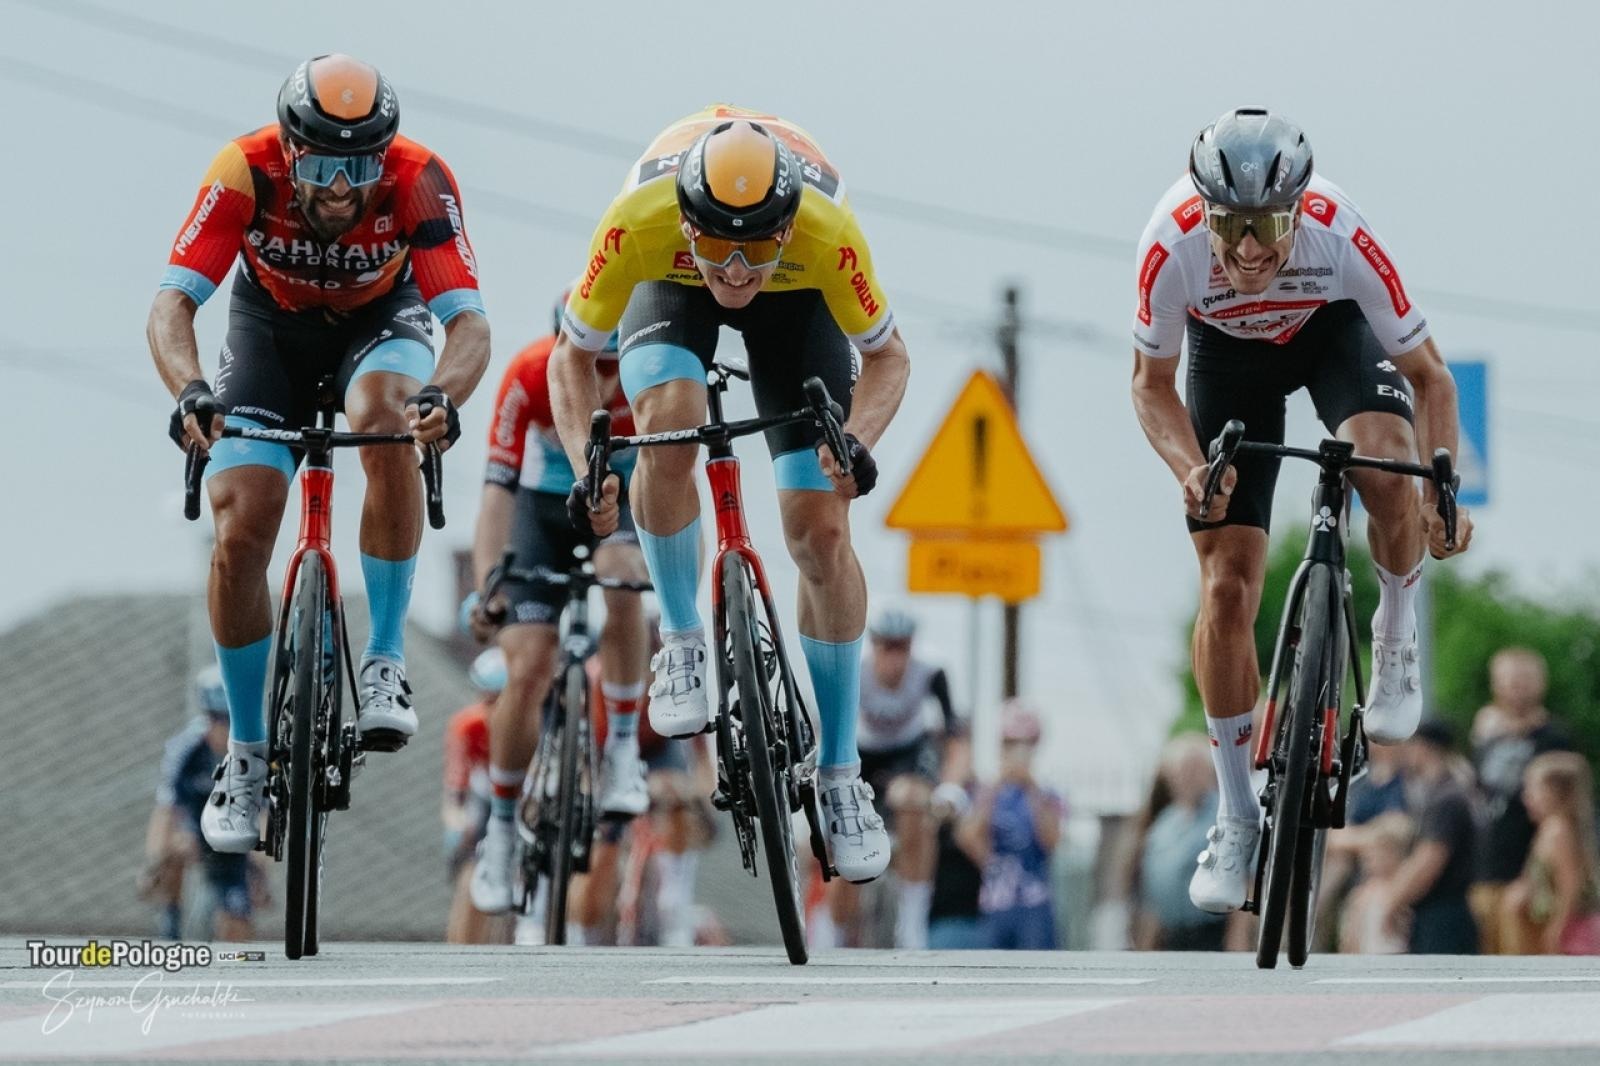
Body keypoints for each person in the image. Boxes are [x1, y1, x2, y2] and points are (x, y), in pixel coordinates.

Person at [548, 107, 911, 883]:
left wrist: (857, 444)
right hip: (668, 292)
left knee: (819, 530)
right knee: (669, 420)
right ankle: (681, 641)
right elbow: (570, 357)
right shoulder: (638, 223)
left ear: (787, 229)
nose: (738, 272)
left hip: (800, 303)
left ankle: (842, 774)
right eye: (718, 247)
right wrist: (588, 465)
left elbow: (889, 360)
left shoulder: (826, 234)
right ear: (686, 223)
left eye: (756, 251)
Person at [1129, 107, 1475, 915]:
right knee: (1224, 586)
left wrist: (1440, 493)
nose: (1250, 250)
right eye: (1233, 226)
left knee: (1384, 468)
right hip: (1223, 358)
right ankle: (1236, 812)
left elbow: (1433, 379)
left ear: (1300, 209)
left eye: (1269, 226)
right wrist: (1189, 469)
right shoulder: (1169, 244)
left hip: (1328, 335)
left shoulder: (1340, 232)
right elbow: (1149, 386)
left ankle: (1393, 631)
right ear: (1206, 213)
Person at [149, 54, 491, 855]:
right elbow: (172, 303)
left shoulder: (417, 180)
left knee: (388, 419)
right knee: (242, 525)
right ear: (292, 151)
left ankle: (383, 660)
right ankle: (247, 749)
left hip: (383, 326)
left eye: (361, 164)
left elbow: (468, 325)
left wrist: (442, 394)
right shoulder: (243, 171)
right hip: (268, 332)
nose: (344, 187)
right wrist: (191, 390)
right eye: (326, 166)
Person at [463, 295, 650, 915]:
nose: (603, 381)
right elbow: (497, 494)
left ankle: (622, 748)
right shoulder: (527, 376)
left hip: (617, 503)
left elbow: (676, 490)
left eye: (613, 366)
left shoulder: (649, 376)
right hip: (539, 511)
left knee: (625, 582)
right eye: (590, 365)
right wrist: (488, 587)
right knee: (526, 668)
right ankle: (501, 826)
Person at [821, 605, 963, 947]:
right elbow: (826, 730)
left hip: (908, 753)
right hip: (861, 753)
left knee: (912, 800)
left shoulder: (930, 670)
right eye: (888, 647)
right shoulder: (855, 670)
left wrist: (951, 787)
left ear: (912, 647)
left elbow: (957, 738)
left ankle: (912, 925)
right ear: (876, 646)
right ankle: (834, 930)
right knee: (844, 842)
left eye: (903, 648)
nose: (895, 659)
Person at [139, 667, 262, 941]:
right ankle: (170, 927)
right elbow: (166, 809)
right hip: (194, 831)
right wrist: (155, 862)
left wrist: (259, 866)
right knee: (170, 854)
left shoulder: (256, 750)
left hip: (237, 840)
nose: (224, 729)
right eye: (217, 720)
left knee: (237, 922)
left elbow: (266, 815)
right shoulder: (187, 749)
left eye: (231, 721)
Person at [1470, 647, 1575, 952]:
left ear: (1541, 684)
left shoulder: (1554, 739)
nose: (1517, 690)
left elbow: (1563, 814)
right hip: (1486, 871)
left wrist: (1534, 875)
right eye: (1510, 681)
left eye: (1524, 681)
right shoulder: (1488, 736)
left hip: (1530, 879)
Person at [956, 701, 1064, 950]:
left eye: (1025, 743)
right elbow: (969, 840)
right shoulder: (986, 792)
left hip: (1036, 906)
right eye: (1011, 743)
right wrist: (995, 789)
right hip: (994, 904)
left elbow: (1052, 841)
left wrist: (1032, 790)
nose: (1018, 750)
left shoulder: (1049, 794)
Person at [1382, 719, 1478, 954]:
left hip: (1444, 915)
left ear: (1423, 747)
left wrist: (1393, 903)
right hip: (1439, 912)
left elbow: (1429, 859)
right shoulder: (1445, 792)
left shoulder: (1446, 798)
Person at [1134, 734, 1228, 951]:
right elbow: (1155, 888)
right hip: (1173, 933)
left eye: (1195, 769)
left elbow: (1244, 878)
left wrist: (1237, 938)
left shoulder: (1222, 816)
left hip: (1212, 931)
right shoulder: (1163, 824)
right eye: (1181, 770)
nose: (1188, 777)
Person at [443, 649, 512, 944]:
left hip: (524, 793)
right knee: (470, 870)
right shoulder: (468, 725)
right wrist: (457, 831)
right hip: (485, 797)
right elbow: (455, 792)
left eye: (500, 700)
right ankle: (461, 946)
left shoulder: (535, 722)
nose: (491, 710)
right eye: (486, 699)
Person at [1500, 752, 1600, 955]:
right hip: (1555, 922)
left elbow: (1570, 885)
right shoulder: (1548, 828)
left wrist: (1558, 927)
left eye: (1533, 789)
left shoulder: (1559, 831)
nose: (1526, 796)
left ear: (1556, 792)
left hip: (1575, 927)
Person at [1336, 813, 1415, 955]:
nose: (1370, 860)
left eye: (1379, 854)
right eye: (1369, 854)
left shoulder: (1404, 890)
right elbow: (1350, 937)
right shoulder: (1361, 894)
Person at [925, 782, 984, 950]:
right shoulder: (932, 836)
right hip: (940, 919)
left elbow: (983, 858)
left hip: (972, 919)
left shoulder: (967, 836)